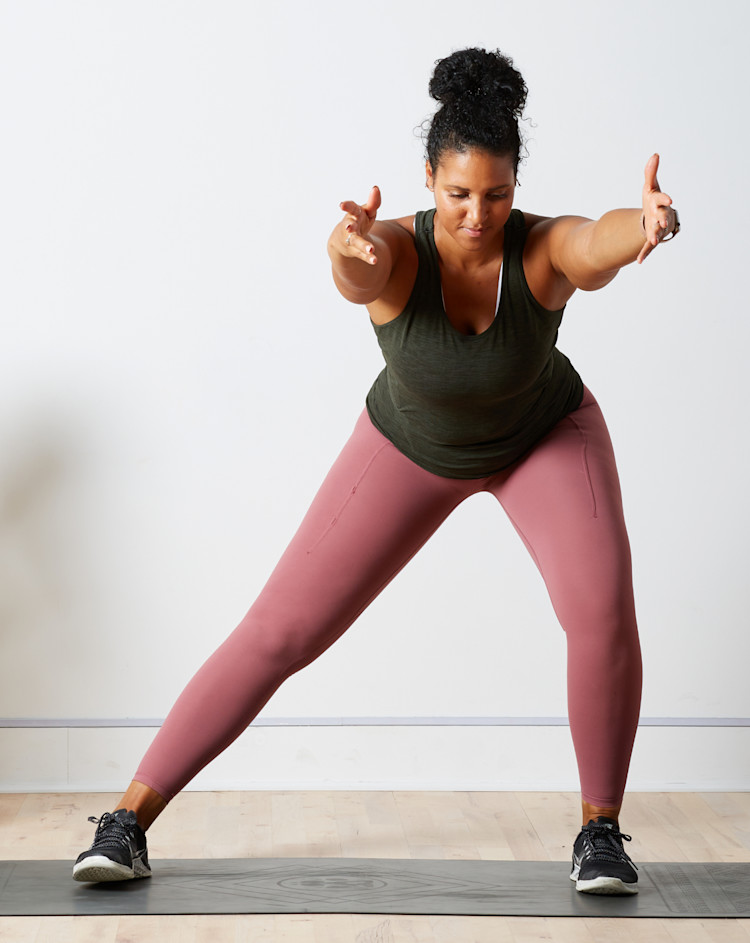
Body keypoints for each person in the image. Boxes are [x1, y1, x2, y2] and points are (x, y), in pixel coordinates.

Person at [72, 47, 679, 896]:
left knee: (602, 608)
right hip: (407, 444)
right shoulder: (395, 248)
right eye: (458, 193)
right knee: (280, 631)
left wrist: (643, 224)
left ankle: (600, 833)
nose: (477, 214)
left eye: (497, 194)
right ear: (428, 178)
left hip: (544, 435)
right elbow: (359, 272)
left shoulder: (540, 250)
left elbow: (592, 241)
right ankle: (127, 821)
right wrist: (345, 247)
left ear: (516, 185)